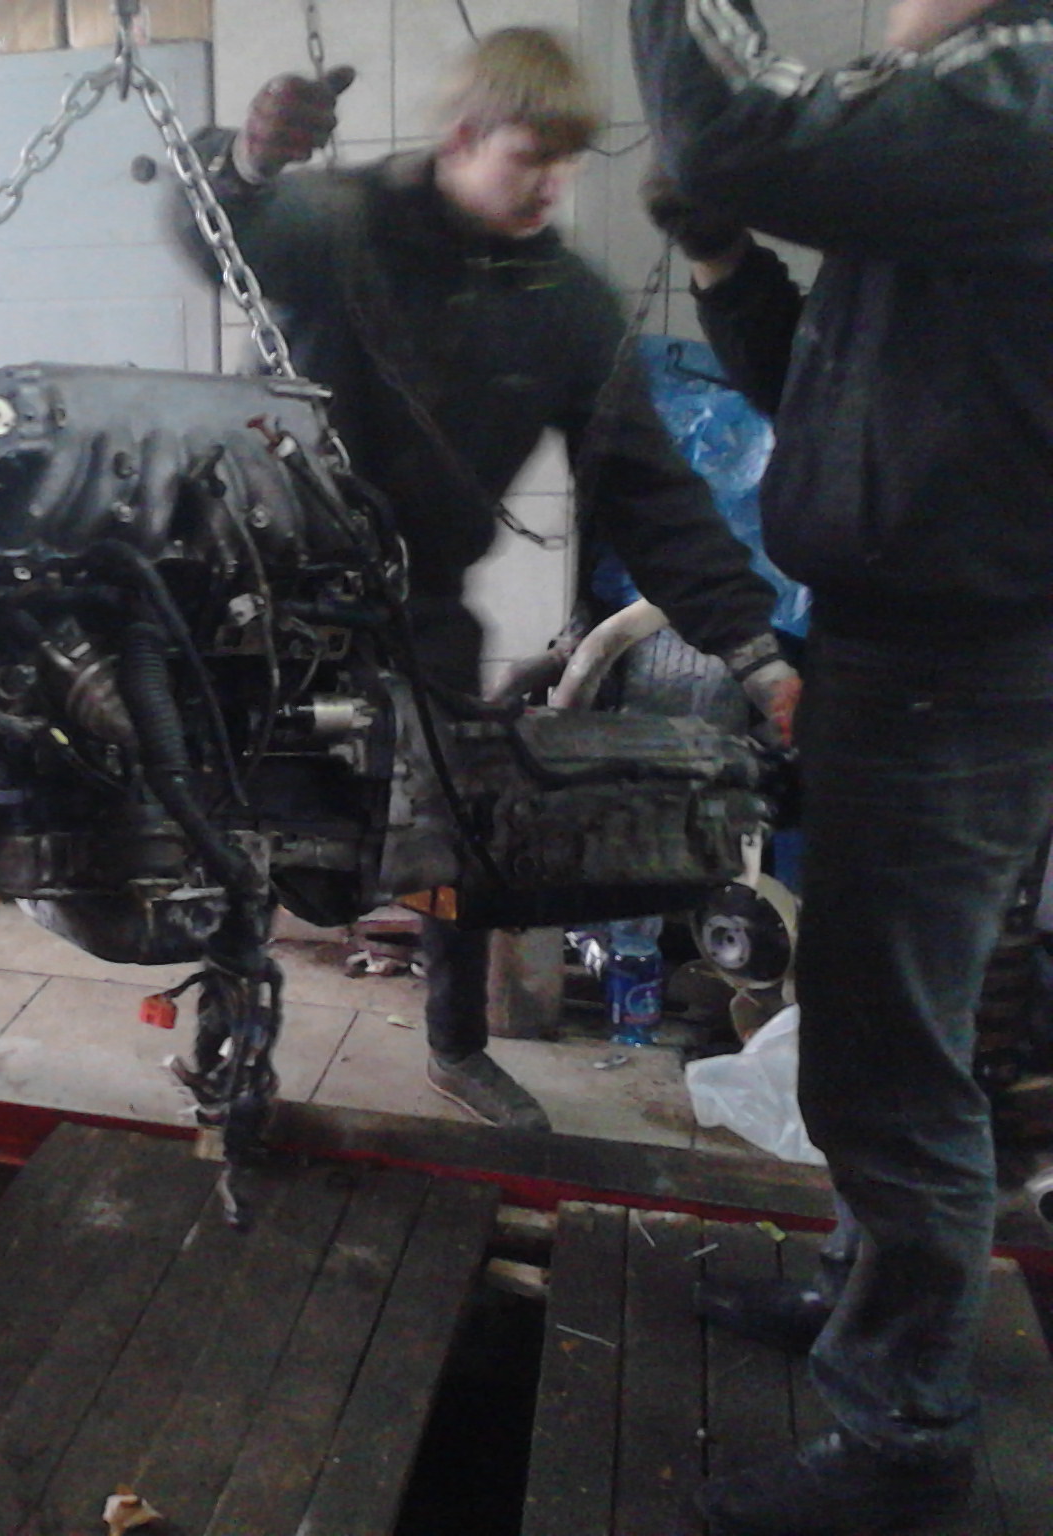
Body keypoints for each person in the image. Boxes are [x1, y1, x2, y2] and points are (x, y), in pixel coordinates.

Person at [182, 28, 794, 1132]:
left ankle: (454, 1046)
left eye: (567, 162)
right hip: (267, 600)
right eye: (530, 158)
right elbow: (215, 231)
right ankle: (227, 1049)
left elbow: (647, 490)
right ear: (463, 137)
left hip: (420, 609)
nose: (552, 187)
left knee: (450, 832)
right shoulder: (339, 224)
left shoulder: (566, 302)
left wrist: (756, 658)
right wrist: (251, 160)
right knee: (237, 832)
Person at [634, 1, 1053, 1531]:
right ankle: (866, 1302)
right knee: (881, 1024)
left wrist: (714, 142)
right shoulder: (971, 142)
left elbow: (732, 121)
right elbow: (824, 387)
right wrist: (725, 260)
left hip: (960, 673)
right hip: (921, 660)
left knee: (894, 1066)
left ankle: (903, 1439)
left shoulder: (1030, 87)